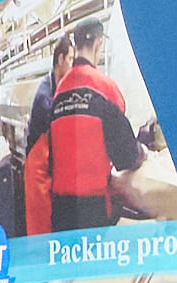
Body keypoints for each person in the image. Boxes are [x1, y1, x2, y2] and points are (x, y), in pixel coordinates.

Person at [21, 28, 156, 233]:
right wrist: (142, 153)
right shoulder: (104, 87)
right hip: (93, 211)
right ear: (98, 44)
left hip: (61, 212)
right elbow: (126, 155)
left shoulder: (59, 92)